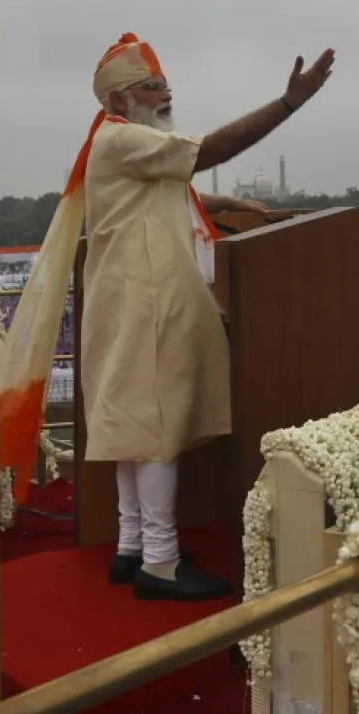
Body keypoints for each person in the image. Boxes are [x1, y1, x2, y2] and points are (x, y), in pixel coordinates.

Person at [86, 32, 334, 600]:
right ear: (119, 101)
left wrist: (229, 205)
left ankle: (132, 547)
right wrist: (288, 103)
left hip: (132, 297)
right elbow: (211, 152)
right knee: (155, 429)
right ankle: (161, 563)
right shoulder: (122, 139)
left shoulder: (121, 143)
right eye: (151, 85)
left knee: (133, 426)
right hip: (147, 299)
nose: (165, 91)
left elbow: (171, 191)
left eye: (164, 81)